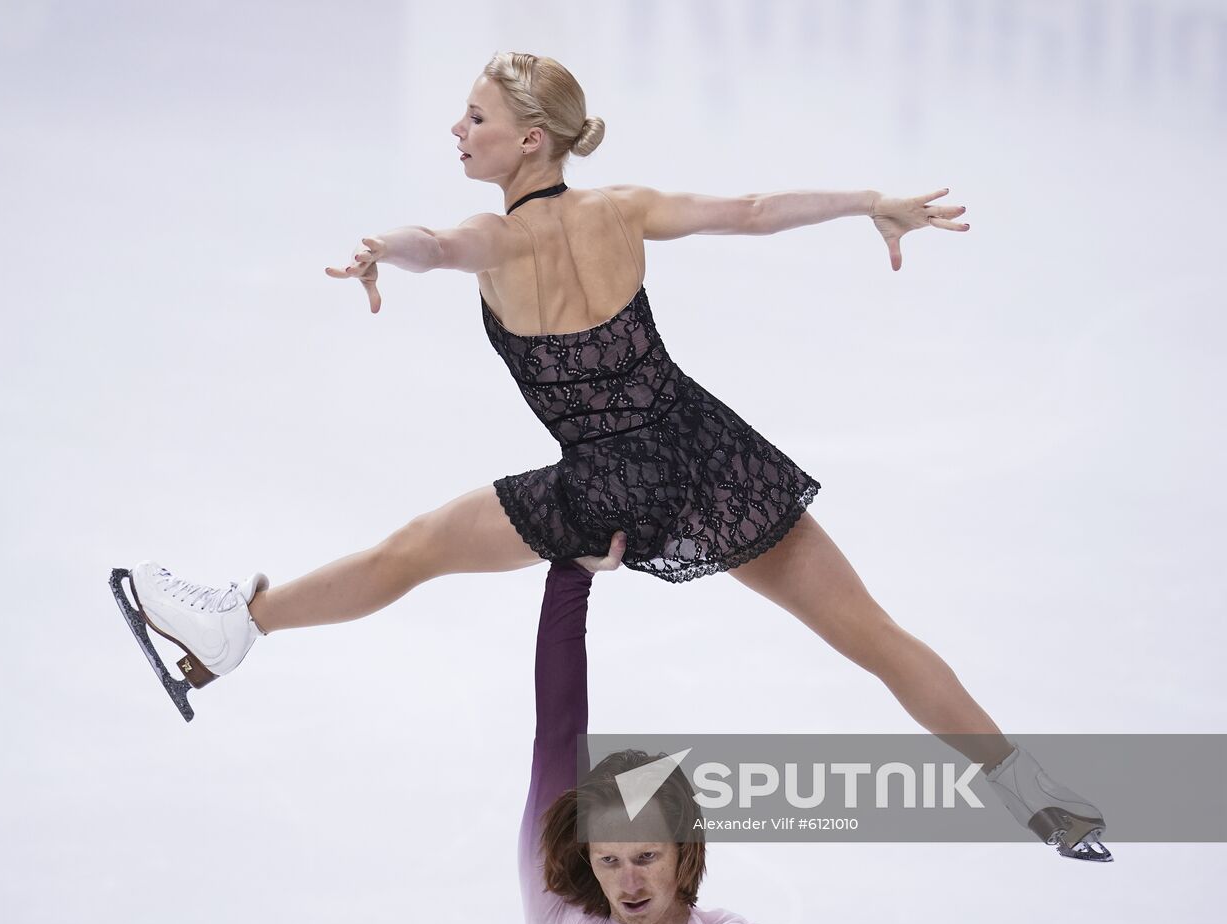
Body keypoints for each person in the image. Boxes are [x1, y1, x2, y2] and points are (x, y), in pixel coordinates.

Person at [112, 51, 1109, 861]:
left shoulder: (495, 243)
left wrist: (385, 243)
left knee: (406, 552)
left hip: (607, 482)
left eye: (473, 119)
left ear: (528, 140)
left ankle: (236, 626)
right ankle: (1036, 798)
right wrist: (866, 200)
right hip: (708, 452)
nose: (456, 131)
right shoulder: (620, 208)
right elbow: (755, 209)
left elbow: (438, 244)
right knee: (873, 636)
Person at [523, 532, 824, 924]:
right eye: (609, 860)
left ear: (684, 849)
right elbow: (558, 731)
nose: (629, 886)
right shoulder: (562, 914)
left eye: (646, 856)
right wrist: (572, 574)